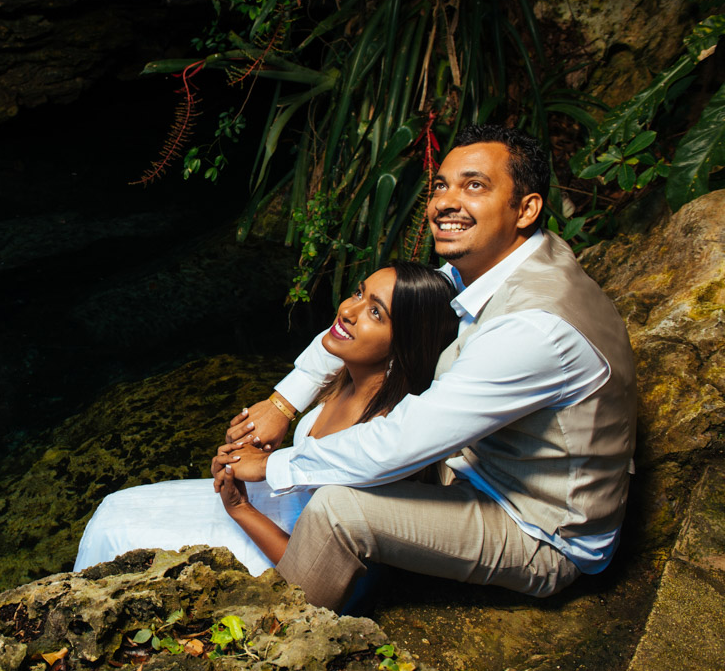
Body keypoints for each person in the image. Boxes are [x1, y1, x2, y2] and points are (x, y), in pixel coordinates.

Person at [222, 124, 637, 611]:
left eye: (474, 185)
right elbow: (353, 321)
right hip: (478, 467)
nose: (445, 202)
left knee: (338, 508)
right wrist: (282, 403)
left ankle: (276, 644)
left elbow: (402, 441)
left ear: (526, 209)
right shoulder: (497, 264)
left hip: (538, 527)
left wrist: (271, 467)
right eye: (441, 185)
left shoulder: (534, 328)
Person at [73, 261, 459, 574]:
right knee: (115, 508)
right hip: (275, 503)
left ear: (404, 343)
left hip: (281, 547)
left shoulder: (382, 435)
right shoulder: (350, 378)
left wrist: (239, 507)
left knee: (119, 534)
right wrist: (249, 451)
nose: (347, 311)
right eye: (358, 292)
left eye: (375, 312)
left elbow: (316, 565)